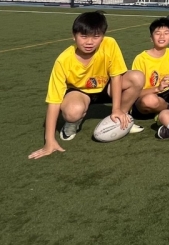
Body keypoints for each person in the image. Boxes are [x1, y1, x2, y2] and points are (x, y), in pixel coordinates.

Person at [29, 11, 145, 159]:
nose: (89, 42)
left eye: (96, 36)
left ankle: (122, 118)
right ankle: (72, 124)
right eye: (84, 36)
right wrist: (49, 141)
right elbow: (54, 101)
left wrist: (116, 109)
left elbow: (116, 77)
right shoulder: (63, 60)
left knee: (136, 77)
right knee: (73, 111)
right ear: (74, 36)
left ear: (103, 36)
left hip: (105, 87)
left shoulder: (110, 44)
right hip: (79, 92)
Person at [132, 18, 169, 116]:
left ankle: (166, 111)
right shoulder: (141, 59)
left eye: (166, 33)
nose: (162, 36)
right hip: (145, 96)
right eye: (158, 33)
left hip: (168, 95)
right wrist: (157, 88)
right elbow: (134, 93)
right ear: (151, 38)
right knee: (150, 100)